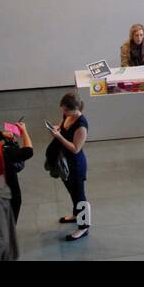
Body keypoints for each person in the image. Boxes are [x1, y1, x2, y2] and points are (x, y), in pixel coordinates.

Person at [49, 93, 90, 241]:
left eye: (66, 110)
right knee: (71, 191)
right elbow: (62, 127)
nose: (64, 113)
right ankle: (75, 214)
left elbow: (76, 148)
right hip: (64, 161)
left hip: (75, 164)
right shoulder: (67, 116)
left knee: (79, 194)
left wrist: (59, 137)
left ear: (74, 109)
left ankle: (84, 226)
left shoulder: (81, 125)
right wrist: (57, 129)